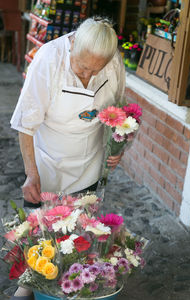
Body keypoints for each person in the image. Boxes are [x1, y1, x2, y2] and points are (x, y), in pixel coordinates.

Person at [10, 16, 125, 300]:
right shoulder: (49, 58)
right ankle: (26, 288)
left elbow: (118, 112)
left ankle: (68, 286)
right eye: (83, 67)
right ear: (72, 46)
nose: (88, 76)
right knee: (40, 234)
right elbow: (26, 123)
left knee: (77, 234)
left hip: (88, 160)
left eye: (95, 70)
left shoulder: (113, 61)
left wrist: (117, 147)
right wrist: (31, 173)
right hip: (49, 159)